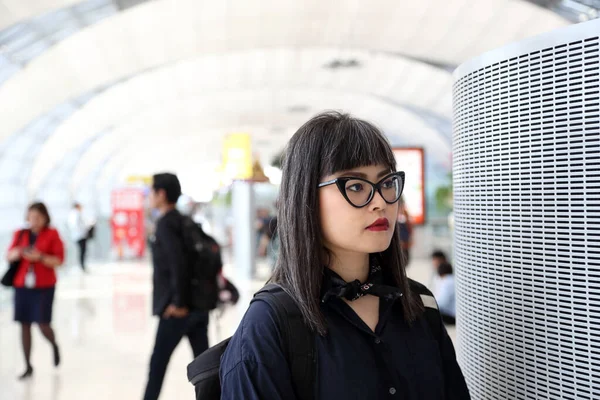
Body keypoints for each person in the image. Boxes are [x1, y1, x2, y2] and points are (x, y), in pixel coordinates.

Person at [219, 112, 470, 399]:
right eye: (356, 186)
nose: (380, 202)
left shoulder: (419, 305)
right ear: (306, 198)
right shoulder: (271, 325)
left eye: (387, 183)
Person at [142, 173, 210, 400]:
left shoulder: (165, 224)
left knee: (157, 365)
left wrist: (178, 303)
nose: (150, 196)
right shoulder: (184, 221)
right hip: (198, 306)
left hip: (177, 310)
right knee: (206, 370)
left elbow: (177, 264)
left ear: (161, 194)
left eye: (152, 192)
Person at [6, 202, 65, 380]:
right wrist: (20, 252)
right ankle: (27, 365)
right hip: (23, 285)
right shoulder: (20, 234)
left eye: (38, 217)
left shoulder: (52, 234)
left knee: (42, 323)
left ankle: (54, 344)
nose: (34, 221)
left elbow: (59, 260)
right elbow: (9, 255)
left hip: (44, 286)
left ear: (45, 217)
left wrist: (40, 257)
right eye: (31, 217)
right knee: (24, 324)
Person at [68, 203, 90, 272]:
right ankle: (82, 266)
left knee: (82, 251)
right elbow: (76, 225)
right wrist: (84, 229)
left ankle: (82, 265)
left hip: (79, 235)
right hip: (80, 235)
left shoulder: (73, 213)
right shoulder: (76, 213)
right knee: (82, 251)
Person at [397, 196, 413, 266]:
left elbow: (410, 230)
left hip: (405, 245)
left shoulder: (406, 215)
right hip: (398, 245)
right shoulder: (394, 216)